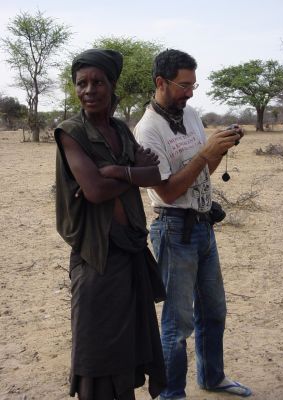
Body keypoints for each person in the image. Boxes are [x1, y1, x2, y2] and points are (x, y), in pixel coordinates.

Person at [134, 49, 252, 398]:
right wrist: (204, 152)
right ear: (161, 83)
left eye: (192, 85)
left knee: (214, 309)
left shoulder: (191, 116)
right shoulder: (147, 131)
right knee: (178, 321)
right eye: (183, 86)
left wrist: (218, 150)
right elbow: (169, 192)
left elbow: (203, 174)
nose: (189, 93)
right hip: (173, 229)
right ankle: (172, 393)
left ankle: (212, 377)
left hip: (202, 226)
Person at [54, 48, 166, 400]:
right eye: (81, 83)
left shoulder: (120, 129)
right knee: (97, 347)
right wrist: (133, 174)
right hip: (96, 254)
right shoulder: (71, 132)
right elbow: (96, 190)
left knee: (127, 344)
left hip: (129, 247)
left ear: (112, 85)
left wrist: (118, 171)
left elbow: (157, 173)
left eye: (97, 82)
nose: (88, 90)